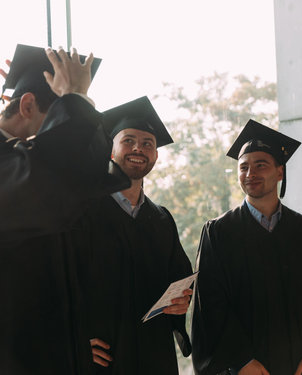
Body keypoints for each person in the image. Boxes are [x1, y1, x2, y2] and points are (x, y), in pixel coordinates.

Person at [0, 44, 129, 374]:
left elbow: (83, 178)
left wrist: (77, 101)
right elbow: (54, 177)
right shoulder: (20, 166)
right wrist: (74, 98)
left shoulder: (21, 159)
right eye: (55, 120)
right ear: (27, 105)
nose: (55, 135)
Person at [192, 120, 302, 375]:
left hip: (299, 366)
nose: (250, 174)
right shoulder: (219, 232)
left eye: (260, 165)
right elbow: (211, 304)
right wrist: (241, 360)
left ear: (280, 172)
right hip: (245, 369)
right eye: (244, 167)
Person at [72, 96, 193, 374]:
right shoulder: (82, 212)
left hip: (154, 355)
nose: (139, 148)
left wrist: (181, 302)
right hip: (101, 356)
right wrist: (73, 339)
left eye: (148, 143)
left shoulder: (161, 219)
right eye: (128, 140)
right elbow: (58, 283)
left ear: (155, 156)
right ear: (111, 150)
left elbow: (179, 279)